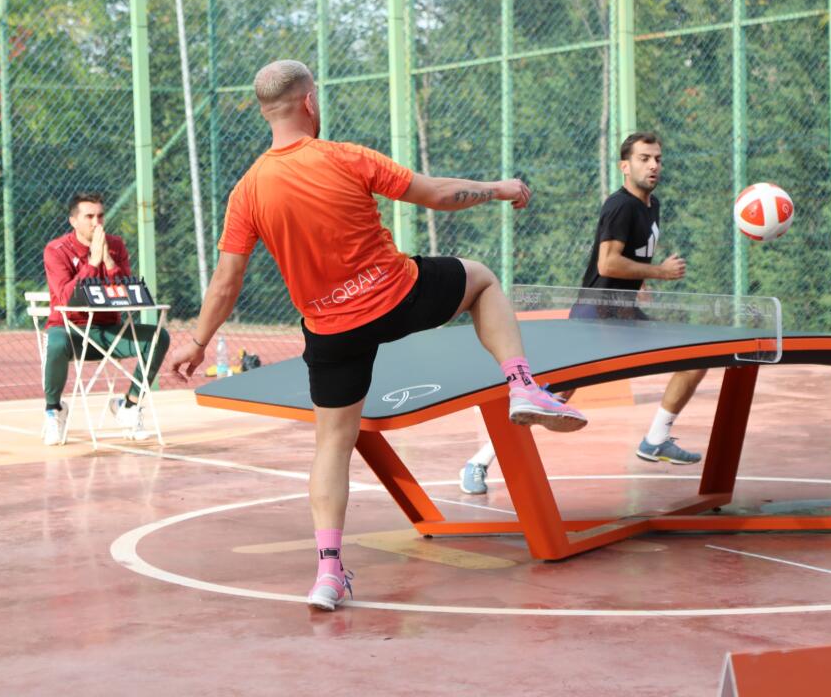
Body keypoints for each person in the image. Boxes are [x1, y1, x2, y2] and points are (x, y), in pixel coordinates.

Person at [165, 60, 587, 612]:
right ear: (309, 102)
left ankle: (328, 572)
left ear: (267, 111)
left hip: (331, 330)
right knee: (481, 279)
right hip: (398, 296)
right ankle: (523, 385)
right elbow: (437, 194)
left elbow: (227, 280)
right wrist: (498, 189)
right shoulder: (344, 156)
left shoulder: (248, 192)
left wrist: (198, 342)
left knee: (332, 445)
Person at [458, 131, 703, 495]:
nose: (653, 165)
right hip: (597, 315)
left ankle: (655, 439)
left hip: (622, 312)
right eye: (644, 159)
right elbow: (607, 263)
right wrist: (659, 272)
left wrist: (640, 283)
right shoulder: (620, 206)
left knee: (694, 358)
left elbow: (629, 258)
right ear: (625, 166)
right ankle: (478, 462)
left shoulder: (652, 205)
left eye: (657, 159)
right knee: (548, 400)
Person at [40, 191, 171, 446]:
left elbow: (127, 292)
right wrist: (93, 262)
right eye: (89, 217)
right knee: (55, 342)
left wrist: (108, 260)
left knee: (158, 337)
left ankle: (129, 405)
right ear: (73, 221)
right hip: (72, 331)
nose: (96, 222)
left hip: (110, 330)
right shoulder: (56, 250)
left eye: (100, 216)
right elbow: (66, 297)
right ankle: (54, 410)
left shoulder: (116, 245)